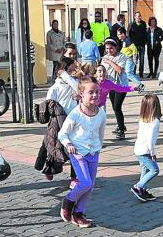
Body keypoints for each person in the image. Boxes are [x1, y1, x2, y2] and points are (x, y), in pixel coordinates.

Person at [58, 76, 106, 228]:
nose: (95, 95)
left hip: (94, 153)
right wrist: (68, 143)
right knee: (85, 182)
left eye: (97, 92)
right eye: (90, 92)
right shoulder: (75, 114)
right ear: (81, 95)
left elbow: (101, 133)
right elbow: (62, 134)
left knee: (90, 186)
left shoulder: (101, 113)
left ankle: (78, 214)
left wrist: (98, 147)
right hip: (77, 152)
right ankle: (68, 201)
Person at [131, 93, 161, 201]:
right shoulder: (155, 122)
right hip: (145, 151)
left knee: (144, 169)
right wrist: (153, 154)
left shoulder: (142, 118)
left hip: (138, 149)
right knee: (154, 170)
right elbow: (151, 141)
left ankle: (142, 190)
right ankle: (138, 186)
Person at [101, 38, 129, 139]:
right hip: (110, 85)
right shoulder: (104, 57)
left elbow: (119, 70)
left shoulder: (121, 56)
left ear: (115, 47)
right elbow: (102, 71)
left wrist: (109, 61)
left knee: (117, 107)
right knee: (114, 107)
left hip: (121, 85)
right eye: (107, 49)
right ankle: (121, 125)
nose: (109, 51)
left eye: (111, 48)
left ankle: (121, 131)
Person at [117, 27, 145, 91]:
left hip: (129, 59)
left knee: (129, 73)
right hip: (125, 59)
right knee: (126, 73)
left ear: (123, 34)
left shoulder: (128, 40)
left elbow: (134, 49)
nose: (118, 36)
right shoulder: (124, 41)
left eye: (119, 34)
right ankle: (125, 86)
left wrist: (135, 59)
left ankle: (140, 84)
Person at [129, 11, 147, 77]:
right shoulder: (131, 24)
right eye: (138, 16)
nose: (139, 17)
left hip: (142, 45)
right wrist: (131, 44)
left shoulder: (143, 24)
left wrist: (145, 41)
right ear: (135, 17)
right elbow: (129, 34)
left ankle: (141, 73)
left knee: (142, 60)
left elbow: (145, 33)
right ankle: (133, 73)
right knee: (134, 59)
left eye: (140, 16)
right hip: (134, 45)